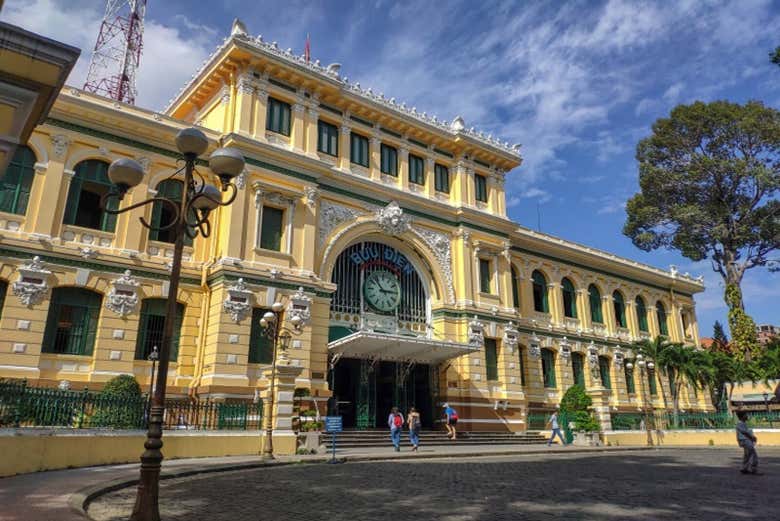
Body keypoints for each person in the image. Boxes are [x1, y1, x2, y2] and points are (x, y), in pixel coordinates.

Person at [736, 410, 761, 475]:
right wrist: (752, 437)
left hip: (746, 440)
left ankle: (744, 468)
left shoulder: (743, 423)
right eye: (746, 415)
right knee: (753, 455)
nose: (747, 416)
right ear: (742, 416)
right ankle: (754, 469)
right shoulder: (740, 424)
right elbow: (745, 432)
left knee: (747, 455)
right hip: (745, 440)